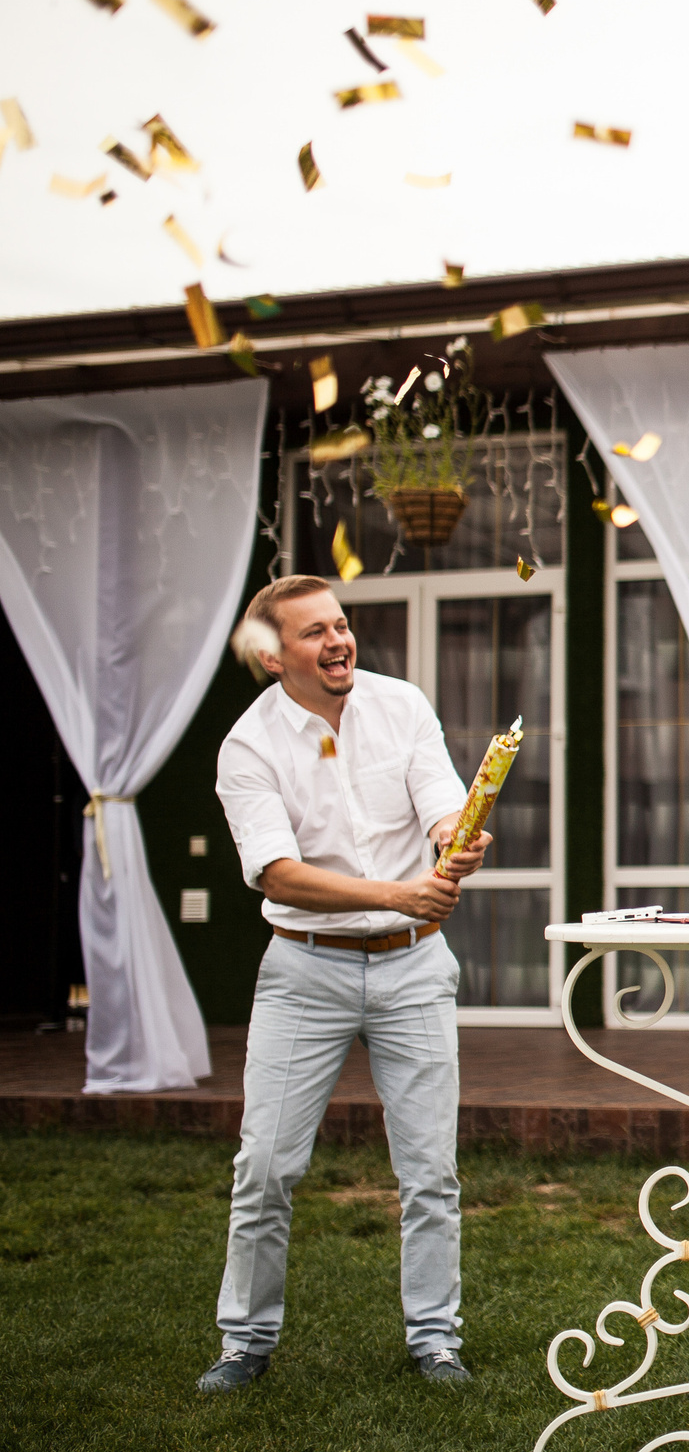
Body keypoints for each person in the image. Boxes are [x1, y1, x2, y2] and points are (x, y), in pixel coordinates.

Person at [198, 576, 491, 1393]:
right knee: (266, 1166)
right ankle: (244, 1343)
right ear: (273, 656)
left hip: (415, 964)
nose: (338, 641)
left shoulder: (401, 704)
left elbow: (442, 807)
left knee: (431, 1171)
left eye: (341, 623)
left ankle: (436, 1341)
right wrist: (400, 892)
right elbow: (279, 874)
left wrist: (458, 837)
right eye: (314, 632)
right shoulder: (248, 747)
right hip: (305, 970)